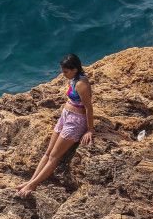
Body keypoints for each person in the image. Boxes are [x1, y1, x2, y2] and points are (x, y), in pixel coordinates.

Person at [16, 54, 94, 197]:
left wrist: (90, 130)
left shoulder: (81, 84)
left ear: (75, 69)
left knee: (54, 156)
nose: (63, 74)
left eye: (66, 71)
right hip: (65, 116)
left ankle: (33, 185)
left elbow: (89, 107)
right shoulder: (73, 79)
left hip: (75, 121)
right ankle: (30, 181)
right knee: (48, 152)